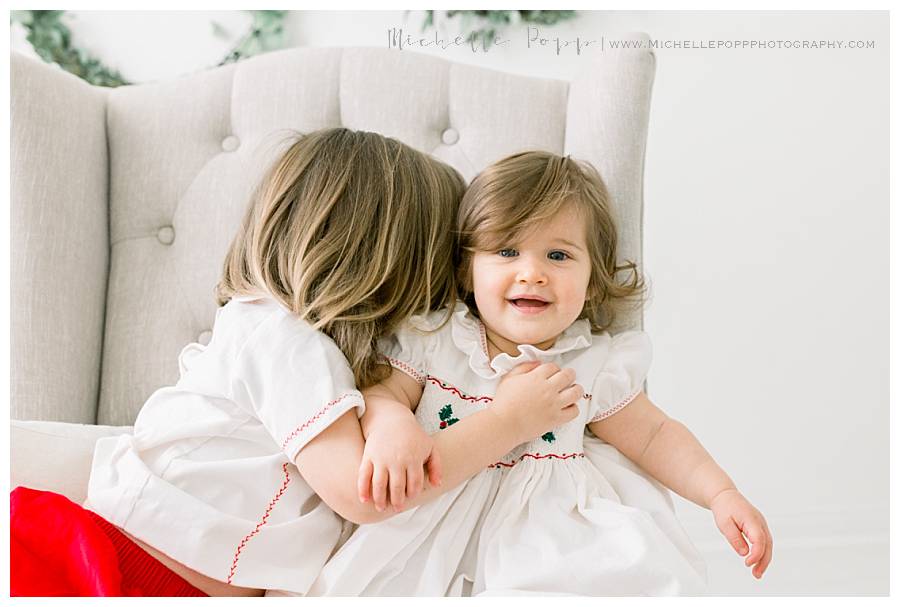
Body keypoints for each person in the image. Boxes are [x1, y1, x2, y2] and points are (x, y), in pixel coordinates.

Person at [10, 130, 579, 597]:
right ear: (386, 260)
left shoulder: (305, 346)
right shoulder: (284, 338)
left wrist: (390, 416)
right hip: (108, 568)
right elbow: (366, 494)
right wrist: (506, 422)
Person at [309, 150, 773, 596]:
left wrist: (720, 494)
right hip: (429, 530)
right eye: (507, 251)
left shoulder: (591, 363)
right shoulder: (437, 338)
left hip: (543, 538)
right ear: (468, 271)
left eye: (558, 256)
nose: (532, 273)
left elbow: (654, 436)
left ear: (593, 280)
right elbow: (384, 391)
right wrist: (392, 425)